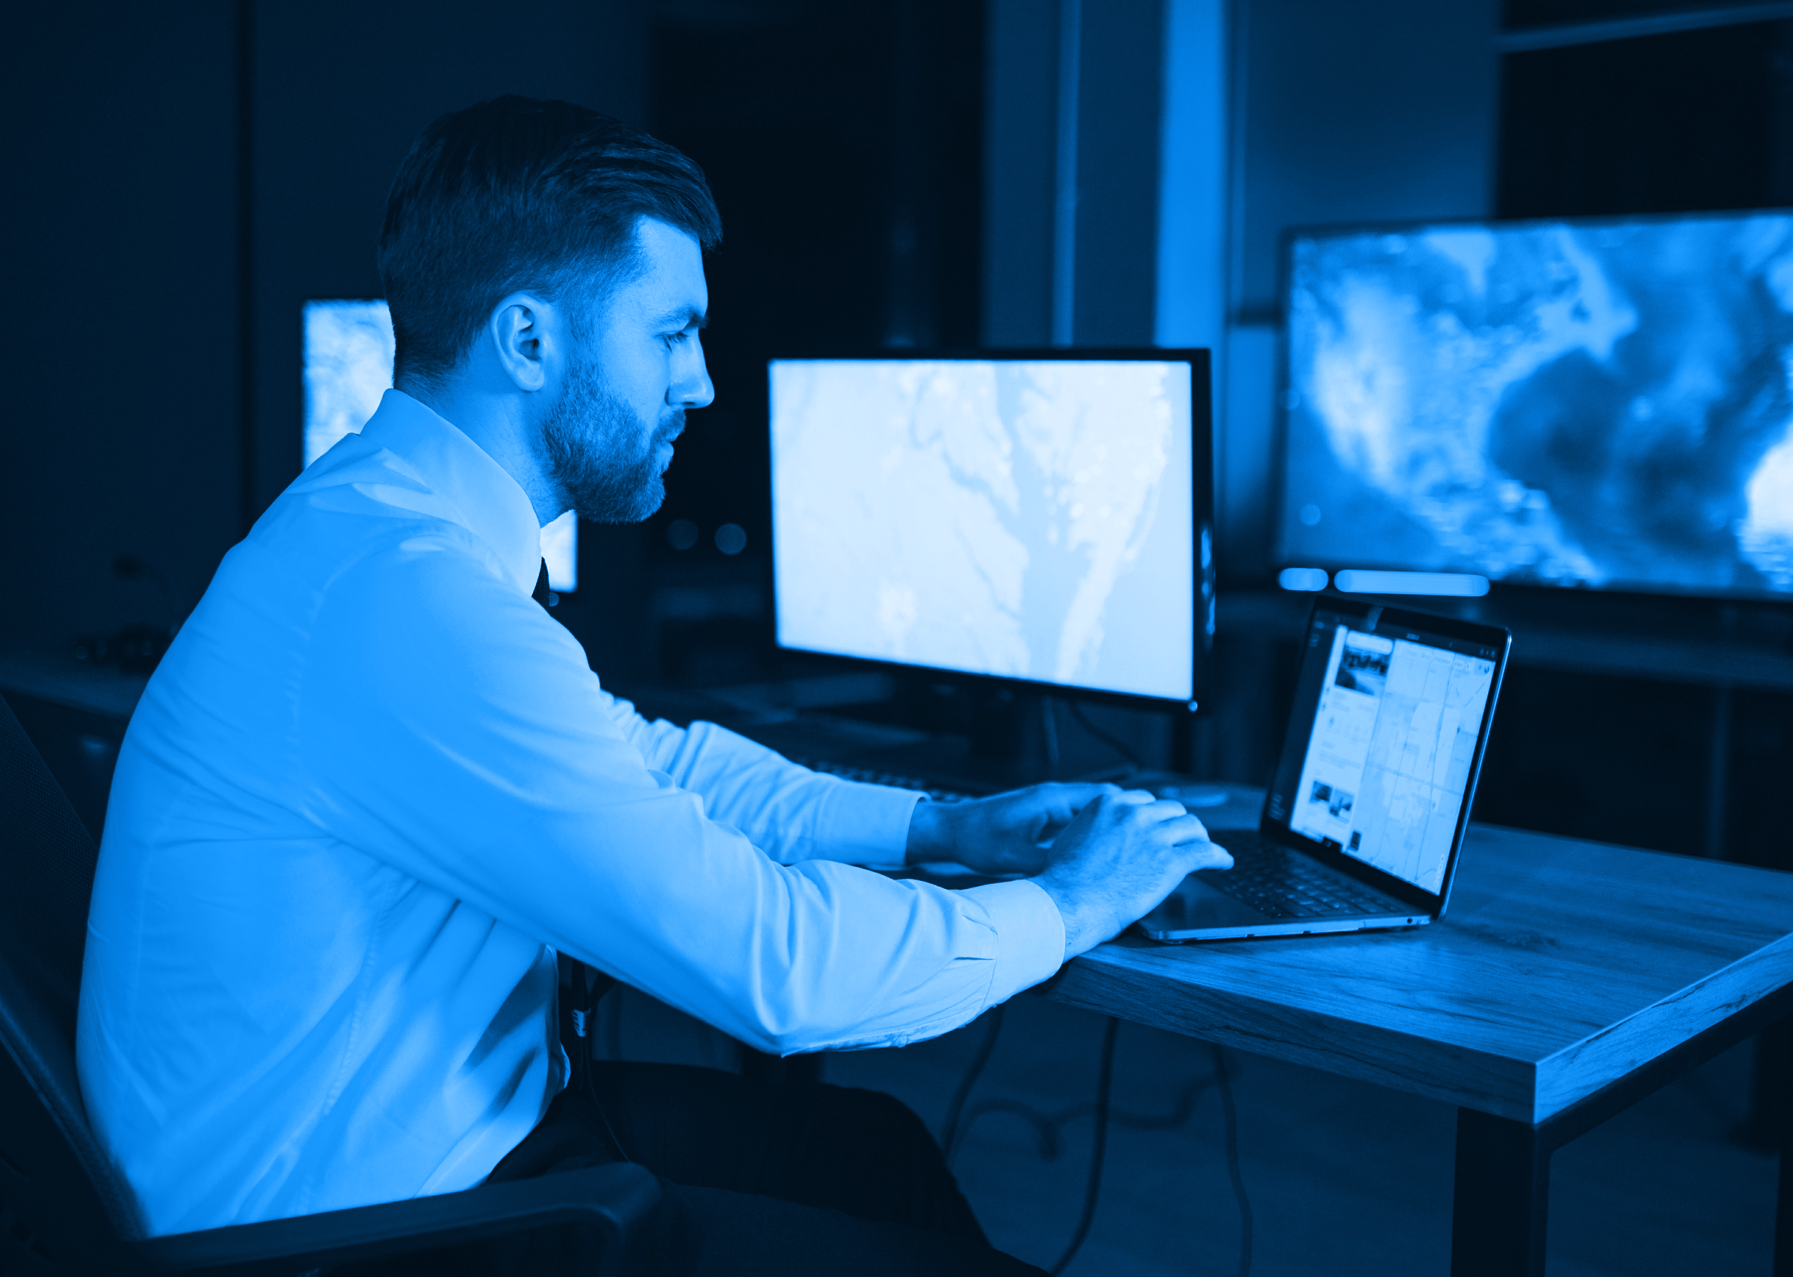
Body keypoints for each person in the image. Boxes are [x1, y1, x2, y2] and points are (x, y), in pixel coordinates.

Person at [76, 95, 1230, 1275]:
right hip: (346, 1237)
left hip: (441, 1138)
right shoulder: (409, 601)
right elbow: (774, 968)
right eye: (672, 334)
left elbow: (645, 759)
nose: (705, 383)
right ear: (531, 342)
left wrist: (938, 822)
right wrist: (1078, 901)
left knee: (868, 1151)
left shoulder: (377, 530)